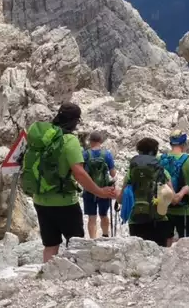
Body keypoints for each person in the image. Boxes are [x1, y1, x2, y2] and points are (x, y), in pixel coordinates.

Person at [22, 103, 119, 263]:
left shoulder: (42, 138)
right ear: (75, 121)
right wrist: (100, 191)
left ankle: (46, 277)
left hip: (40, 200)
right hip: (65, 202)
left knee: (50, 244)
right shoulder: (69, 140)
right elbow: (79, 173)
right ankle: (75, 280)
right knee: (75, 243)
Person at [120, 137, 174, 247]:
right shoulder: (162, 171)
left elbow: (121, 199)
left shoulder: (131, 172)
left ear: (139, 152)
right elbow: (171, 197)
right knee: (160, 259)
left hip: (136, 221)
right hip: (159, 220)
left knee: (139, 258)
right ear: (155, 152)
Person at [82, 130, 116, 239]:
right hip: (104, 189)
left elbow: (81, 173)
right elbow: (113, 174)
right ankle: (105, 235)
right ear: (101, 141)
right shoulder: (107, 154)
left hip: (89, 189)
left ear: (90, 141)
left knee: (92, 217)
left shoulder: (85, 154)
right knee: (104, 215)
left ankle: (92, 239)